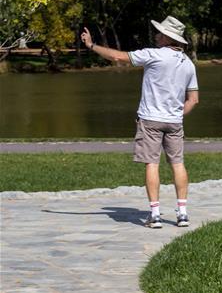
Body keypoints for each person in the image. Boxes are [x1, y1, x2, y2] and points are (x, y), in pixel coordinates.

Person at [81, 16, 199, 229]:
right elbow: (194, 100)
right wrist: (177, 115)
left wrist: (91, 45)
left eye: (159, 32)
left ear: (166, 37)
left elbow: (118, 57)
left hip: (150, 120)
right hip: (174, 123)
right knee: (178, 163)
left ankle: (154, 215)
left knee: (152, 164)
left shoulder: (153, 55)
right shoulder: (188, 64)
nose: (156, 35)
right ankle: (182, 214)